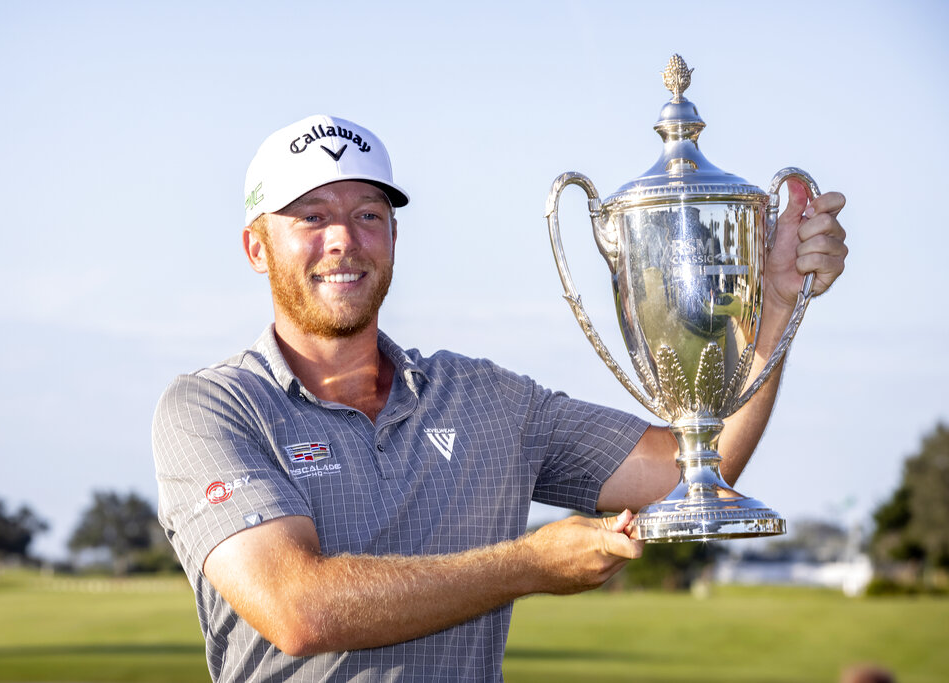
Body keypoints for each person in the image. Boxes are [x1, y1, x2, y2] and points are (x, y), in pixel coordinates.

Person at [152, 114, 848, 681]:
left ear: (393, 236)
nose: (343, 240)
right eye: (311, 217)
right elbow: (296, 608)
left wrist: (777, 307)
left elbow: (693, 471)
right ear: (256, 247)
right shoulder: (211, 408)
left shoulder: (484, 398)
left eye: (368, 213)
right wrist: (529, 564)